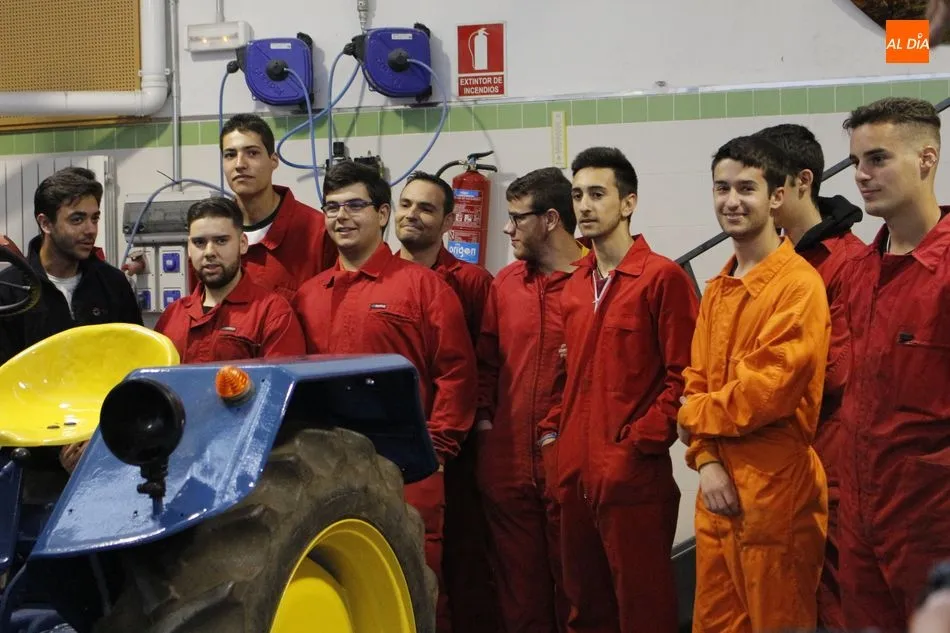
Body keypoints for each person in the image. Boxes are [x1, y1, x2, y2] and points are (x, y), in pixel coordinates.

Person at [292, 160, 477, 633]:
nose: (341, 217)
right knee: (344, 588)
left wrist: (436, 450)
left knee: (417, 588)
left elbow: (456, 372)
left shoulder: (422, 287)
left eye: (355, 205)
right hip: (327, 474)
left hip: (408, 470)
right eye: (332, 207)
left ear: (381, 213)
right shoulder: (309, 295)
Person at [537, 147, 698, 633]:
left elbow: (686, 376)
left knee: (642, 609)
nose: (584, 206)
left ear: (628, 203)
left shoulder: (661, 278)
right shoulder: (573, 286)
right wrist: (552, 442)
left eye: (597, 194)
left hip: (633, 478)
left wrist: (636, 446)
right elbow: (564, 379)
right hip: (574, 474)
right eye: (577, 195)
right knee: (584, 609)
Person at [677, 135, 831, 633]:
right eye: (722, 188)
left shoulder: (798, 286)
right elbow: (695, 379)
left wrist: (689, 417)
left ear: (776, 197)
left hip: (775, 496)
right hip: (717, 491)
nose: (732, 200)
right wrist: (706, 459)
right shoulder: (720, 286)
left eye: (747, 187)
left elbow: (763, 393)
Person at [834, 96, 950, 632]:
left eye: (878, 158)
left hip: (935, 526)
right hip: (860, 523)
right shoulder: (859, 270)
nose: (861, 175)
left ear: (926, 159)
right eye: (857, 161)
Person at [753, 123, 865, 630]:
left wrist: (753, 383)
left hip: (831, 464)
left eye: (768, 181)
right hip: (774, 465)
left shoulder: (849, 263)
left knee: (836, 604)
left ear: (802, 181)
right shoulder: (761, 263)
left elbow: (834, 372)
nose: (759, 195)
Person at [476, 166, 587, 633]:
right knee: (520, 602)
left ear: (550, 220)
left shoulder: (595, 283)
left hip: (571, 468)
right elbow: (485, 366)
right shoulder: (504, 284)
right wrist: (485, 430)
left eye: (517, 218)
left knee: (582, 596)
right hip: (508, 470)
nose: (507, 228)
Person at [394, 171, 500, 633]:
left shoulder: (472, 283)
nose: (412, 215)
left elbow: (481, 364)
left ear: (449, 220)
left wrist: (469, 431)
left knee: (463, 560)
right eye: (406, 204)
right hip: (394, 452)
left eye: (426, 208)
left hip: (454, 452)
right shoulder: (374, 282)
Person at [0, 166, 143, 472]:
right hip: (30, 465)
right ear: (45, 223)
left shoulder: (113, 285)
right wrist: (53, 453)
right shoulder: (9, 291)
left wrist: (105, 441)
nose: (90, 229)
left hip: (107, 451)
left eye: (94, 218)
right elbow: (6, 388)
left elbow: (134, 372)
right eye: (77, 219)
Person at [187, 114, 337, 300]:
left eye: (252, 153)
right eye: (230, 155)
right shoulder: (206, 239)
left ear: (273, 160)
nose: (240, 164)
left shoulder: (318, 233)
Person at [155, 197, 306, 362]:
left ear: (242, 244)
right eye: (199, 242)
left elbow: (279, 384)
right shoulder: (172, 317)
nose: (209, 252)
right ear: (189, 249)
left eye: (221, 241)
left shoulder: (272, 313)